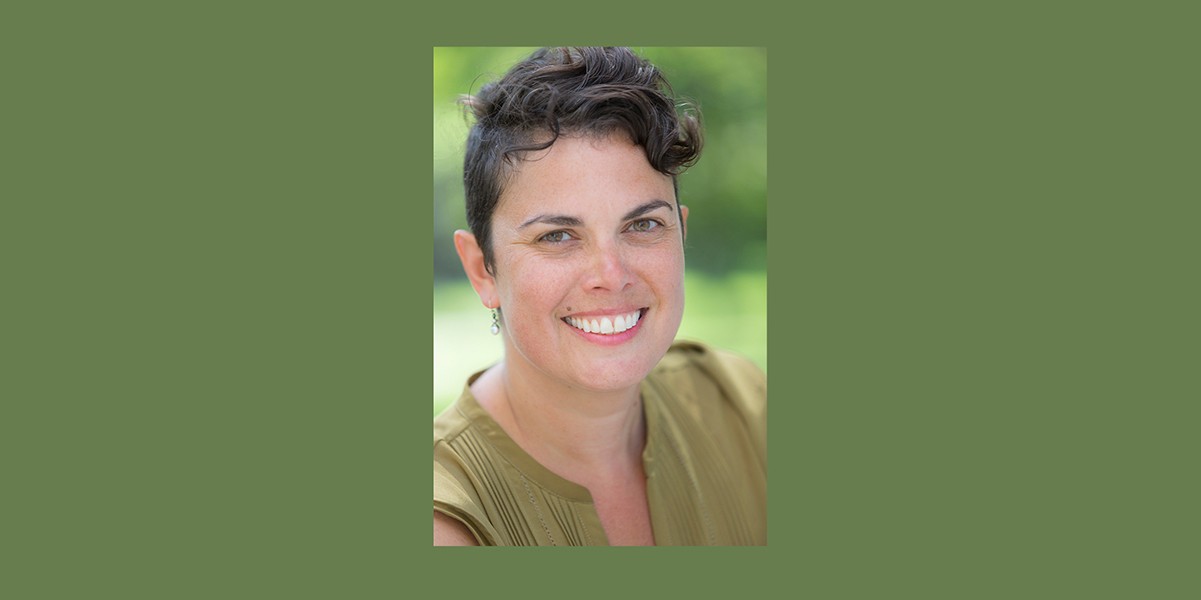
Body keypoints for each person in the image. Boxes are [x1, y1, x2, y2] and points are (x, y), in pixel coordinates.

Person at [434, 47, 766, 546]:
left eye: (643, 225)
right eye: (557, 236)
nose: (611, 276)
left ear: (681, 234)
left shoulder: (742, 405)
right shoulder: (445, 518)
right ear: (483, 270)